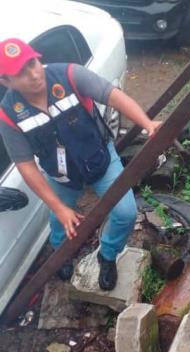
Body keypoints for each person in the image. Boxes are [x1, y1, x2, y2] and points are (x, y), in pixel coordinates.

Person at [0, 38, 161, 290]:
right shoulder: (8, 114)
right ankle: (60, 252)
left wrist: (147, 123)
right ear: (5, 81)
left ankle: (107, 254)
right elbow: (26, 165)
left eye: (32, 63)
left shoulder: (69, 74)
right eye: (21, 73)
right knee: (59, 221)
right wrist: (59, 207)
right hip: (61, 175)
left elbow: (113, 96)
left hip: (99, 160)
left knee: (126, 213)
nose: (33, 74)